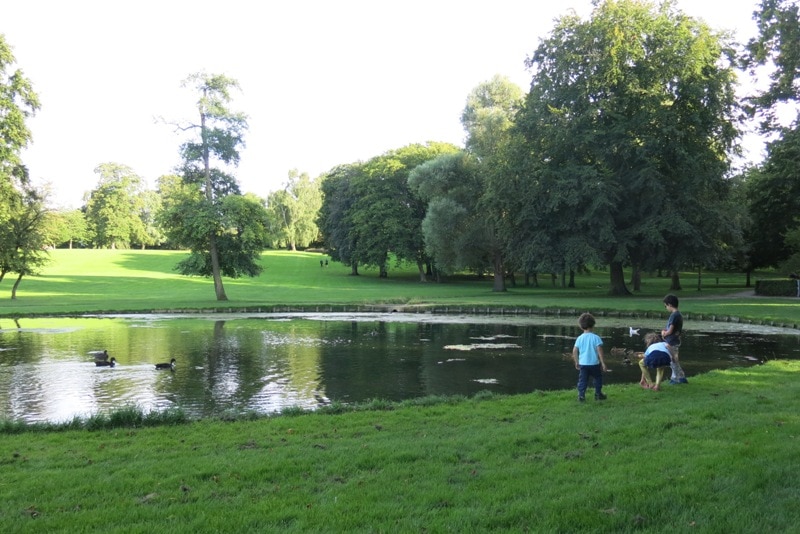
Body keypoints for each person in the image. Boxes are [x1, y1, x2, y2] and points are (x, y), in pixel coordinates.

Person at [571, 312, 608, 402]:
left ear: (581, 326)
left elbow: (574, 351)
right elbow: (599, 350)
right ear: (593, 324)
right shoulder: (596, 338)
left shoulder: (579, 338)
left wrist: (576, 361)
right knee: (598, 378)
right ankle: (598, 394)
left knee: (583, 380)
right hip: (594, 363)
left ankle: (581, 395)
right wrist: (603, 363)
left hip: (583, 364)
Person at [661, 294, 688, 384]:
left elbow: (671, 330)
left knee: (673, 361)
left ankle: (675, 379)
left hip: (671, 341)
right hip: (676, 340)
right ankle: (682, 377)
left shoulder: (674, 315)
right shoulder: (679, 314)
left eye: (665, 306)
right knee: (675, 360)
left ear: (670, 305)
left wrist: (664, 333)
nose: (666, 308)